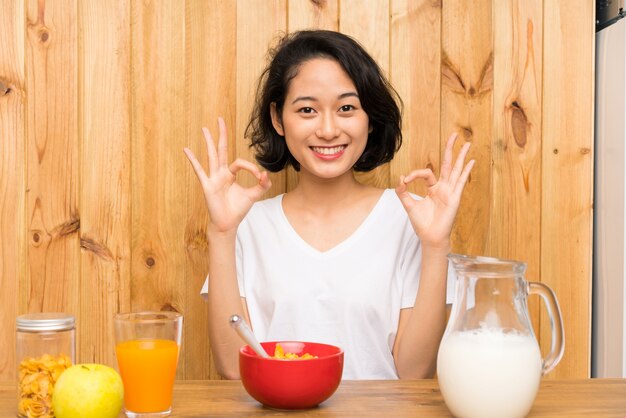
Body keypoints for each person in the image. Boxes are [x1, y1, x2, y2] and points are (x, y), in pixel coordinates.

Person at [184, 30, 474, 380]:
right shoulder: (247, 224)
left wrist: (435, 245)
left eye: (347, 108)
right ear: (278, 119)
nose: (327, 129)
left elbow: (414, 374)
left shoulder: (409, 221)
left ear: (369, 118)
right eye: (307, 109)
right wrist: (221, 232)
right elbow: (233, 370)